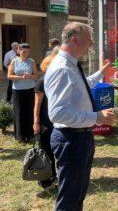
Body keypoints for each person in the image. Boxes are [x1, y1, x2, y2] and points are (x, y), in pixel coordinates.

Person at [44, 22, 116, 211]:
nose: (91, 44)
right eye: (89, 41)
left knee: (77, 194)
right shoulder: (62, 68)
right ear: (75, 40)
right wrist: (96, 117)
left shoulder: (71, 65)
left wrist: (101, 73)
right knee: (70, 197)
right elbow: (58, 112)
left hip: (79, 137)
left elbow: (83, 85)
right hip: (71, 139)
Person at [33, 54, 58, 189]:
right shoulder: (42, 82)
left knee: (52, 151)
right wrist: (36, 122)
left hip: (53, 121)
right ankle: (44, 181)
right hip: (44, 123)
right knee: (45, 152)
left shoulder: (54, 81)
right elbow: (37, 105)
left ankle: (52, 177)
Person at [7, 43, 38, 143]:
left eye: (28, 52)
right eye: (24, 51)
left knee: (29, 111)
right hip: (18, 90)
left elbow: (36, 76)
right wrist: (21, 77)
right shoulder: (14, 61)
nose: (26, 54)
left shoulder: (32, 61)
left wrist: (30, 76)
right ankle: (20, 136)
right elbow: (9, 76)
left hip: (30, 89)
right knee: (19, 112)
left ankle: (30, 134)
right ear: (19, 51)